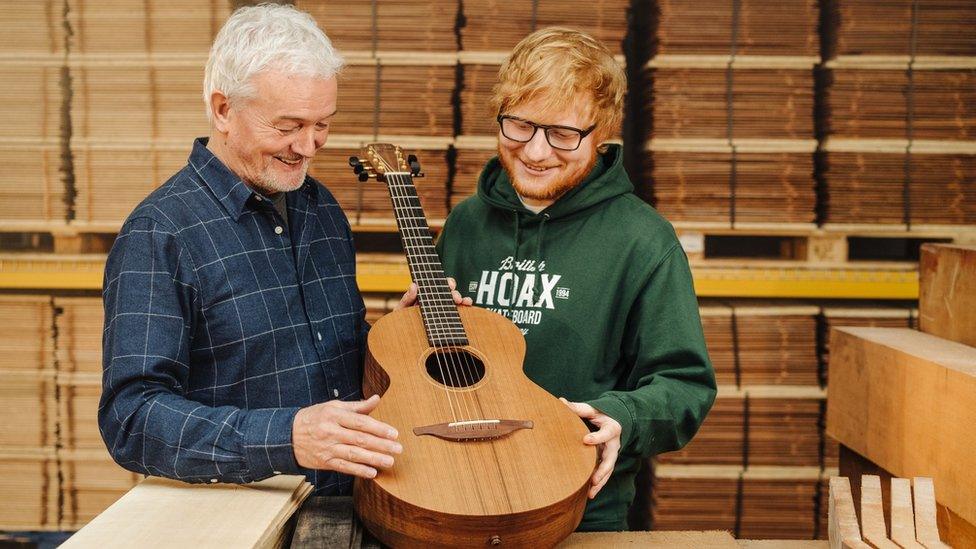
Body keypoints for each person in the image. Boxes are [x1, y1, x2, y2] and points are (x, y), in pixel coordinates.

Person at [98, 4, 465, 495]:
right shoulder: (161, 233)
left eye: (323, 124)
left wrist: (398, 337)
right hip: (244, 516)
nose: (309, 146)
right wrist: (285, 437)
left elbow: (328, 355)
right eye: (289, 126)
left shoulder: (319, 207)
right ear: (224, 110)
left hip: (354, 500)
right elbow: (132, 419)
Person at [433, 28, 717, 531]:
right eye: (519, 125)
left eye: (563, 134)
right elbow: (437, 368)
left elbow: (685, 385)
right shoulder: (466, 224)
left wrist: (624, 417)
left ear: (602, 130)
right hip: (454, 498)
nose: (537, 151)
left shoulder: (643, 241)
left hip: (578, 512)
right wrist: (415, 327)